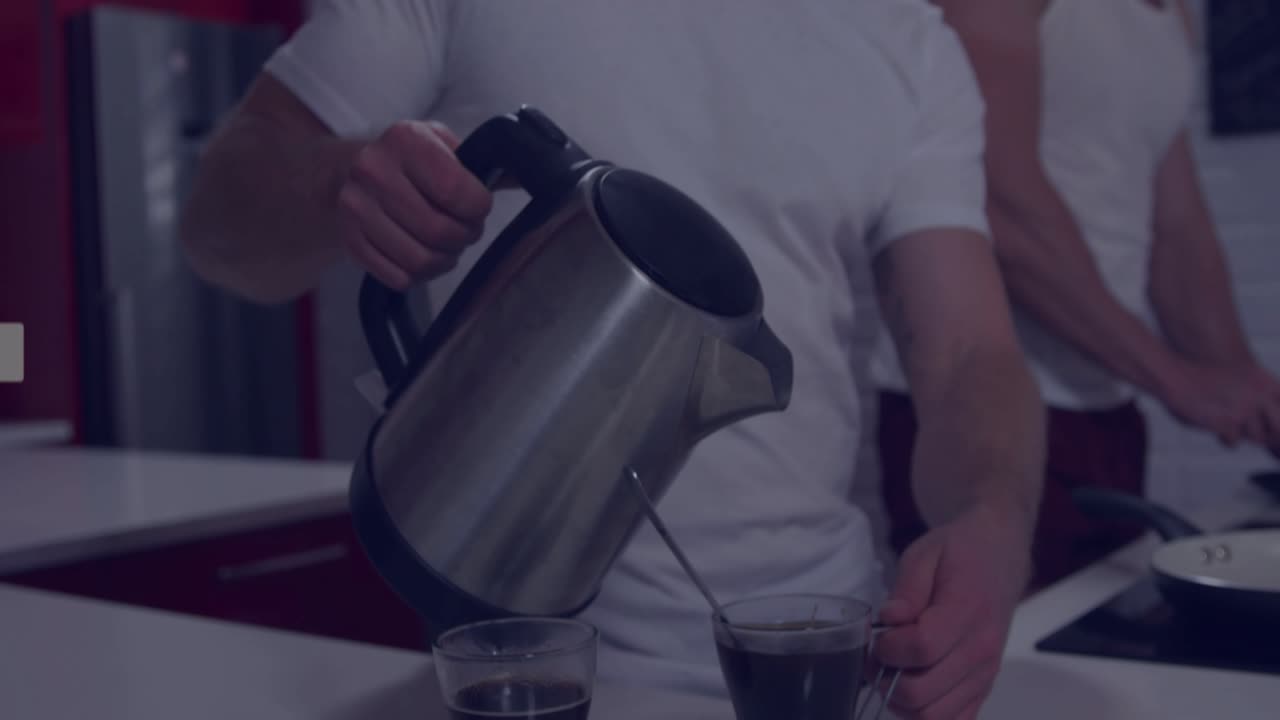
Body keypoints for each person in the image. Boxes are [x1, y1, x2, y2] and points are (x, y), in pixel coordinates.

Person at [180, 1, 1046, 717]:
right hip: (529, 673)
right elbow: (216, 224)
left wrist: (994, 521)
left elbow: (969, 354)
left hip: (824, 662)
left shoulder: (912, 40)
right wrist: (341, 184)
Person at [872, 0, 1280, 591]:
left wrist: (1247, 386)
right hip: (980, 418)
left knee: (1106, 665)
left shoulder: (1171, 15)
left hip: (1104, 410)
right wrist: (1175, 378)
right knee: (1003, 675)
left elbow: (1178, 230)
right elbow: (992, 198)